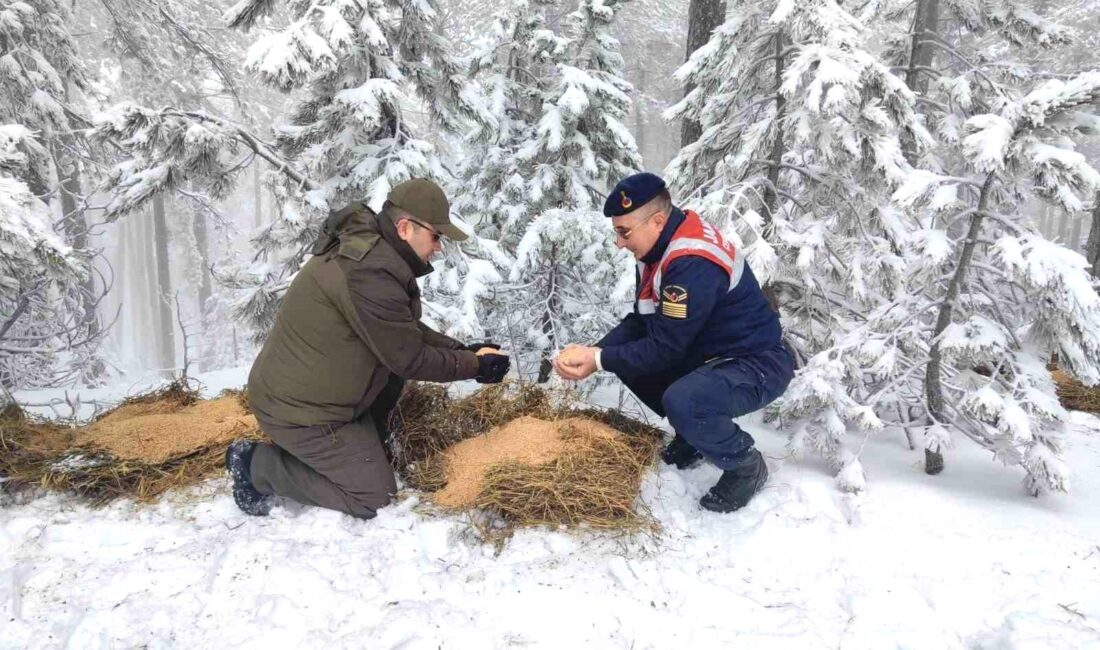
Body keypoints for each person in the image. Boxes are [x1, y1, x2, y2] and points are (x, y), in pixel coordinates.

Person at [225, 179, 510, 518]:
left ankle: (362, 441)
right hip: (301, 413)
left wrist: (463, 350)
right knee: (373, 496)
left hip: (318, 397)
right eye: (436, 237)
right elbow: (408, 357)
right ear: (405, 228)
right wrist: (473, 367)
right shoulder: (369, 271)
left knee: (387, 370)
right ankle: (256, 465)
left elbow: (398, 330)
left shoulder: (373, 254)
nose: (438, 248)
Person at [554, 172, 794, 513]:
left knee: (683, 399)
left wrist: (598, 360)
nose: (619, 243)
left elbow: (665, 348)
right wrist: (594, 353)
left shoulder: (690, 261)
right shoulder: (659, 247)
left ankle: (745, 466)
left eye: (624, 232)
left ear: (656, 220)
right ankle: (692, 437)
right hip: (711, 353)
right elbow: (642, 320)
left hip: (755, 363)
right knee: (624, 360)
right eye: (615, 232)